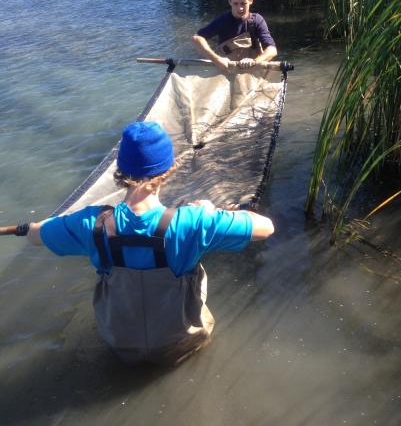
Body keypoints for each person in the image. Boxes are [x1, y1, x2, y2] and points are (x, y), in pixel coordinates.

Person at [23, 121, 274, 366]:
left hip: (120, 345)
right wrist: (214, 211)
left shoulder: (88, 222)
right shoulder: (197, 221)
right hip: (182, 344)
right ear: (169, 169)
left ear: (120, 170)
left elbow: (35, 235)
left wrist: (46, 224)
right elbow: (266, 228)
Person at [191, 0, 277, 70]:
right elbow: (196, 38)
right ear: (230, 2)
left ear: (251, 1)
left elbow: (272, 50)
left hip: (252, 70)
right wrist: (215, 59)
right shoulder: (223, 20)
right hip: (227, 71)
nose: (240, 8)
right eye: (236, 4)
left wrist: (254, 61)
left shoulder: (257, 20)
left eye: (243, 3)